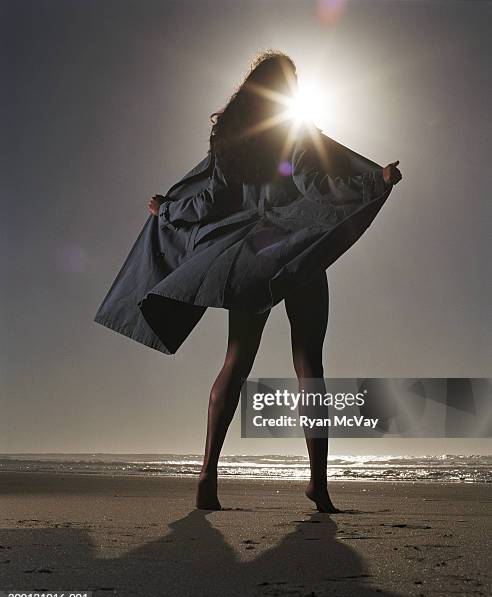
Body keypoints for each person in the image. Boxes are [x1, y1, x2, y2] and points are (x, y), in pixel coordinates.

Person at [144, 50, 402, 512]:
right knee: (309, 362)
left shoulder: (229, 139)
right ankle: (318, 486)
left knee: (236, 360)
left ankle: (207, 476)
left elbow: (211, 200)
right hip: (296, 252)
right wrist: (375, 182)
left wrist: (168, 210)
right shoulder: (293, 131)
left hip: (250, 258)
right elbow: (317, 186)